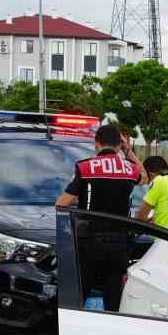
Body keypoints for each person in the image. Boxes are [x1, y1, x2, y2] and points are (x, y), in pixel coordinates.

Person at [55, 123, 141, 312]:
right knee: (113, 294)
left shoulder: (85, 167)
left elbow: (62, 204)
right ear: (120, 145)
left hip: (90, 241)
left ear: (96, 144)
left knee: (82, 290)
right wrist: (128, 151)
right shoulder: (130, 169)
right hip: (120, 242)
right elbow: (145, 176)